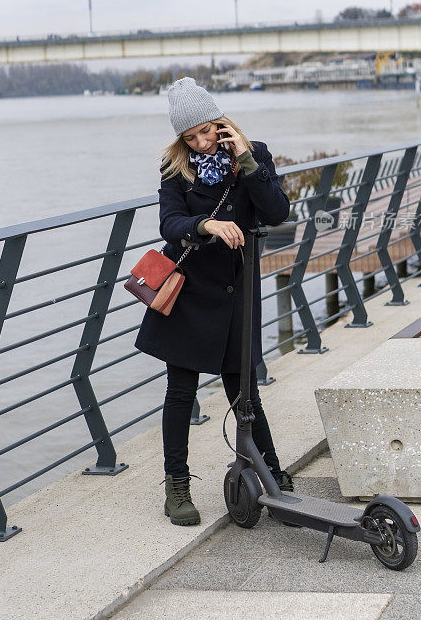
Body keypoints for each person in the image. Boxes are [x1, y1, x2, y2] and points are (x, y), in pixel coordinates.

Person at [135, 76, 293, 526]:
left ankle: (274, 477)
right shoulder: (175, 170)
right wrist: (206, 225)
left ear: (220, 120)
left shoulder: (254, 155)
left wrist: (244, 158)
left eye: (207, 130)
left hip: (235, 292)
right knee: (180, 392)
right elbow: (170, 222)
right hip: (188, 291)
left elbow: (277, 213)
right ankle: (177, 486)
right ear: (180, 139)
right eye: (191, 137)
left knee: (245, 393)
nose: (202, 142)